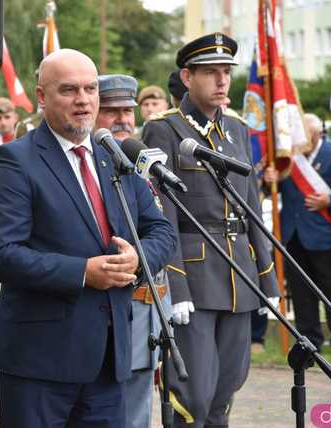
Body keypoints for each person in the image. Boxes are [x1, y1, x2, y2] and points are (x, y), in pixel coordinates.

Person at [0, 49, 177, 428]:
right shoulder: (16, 160)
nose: (83, 100)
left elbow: (161, 230)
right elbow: (1, 254)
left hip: (108, 360)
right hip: (40, 362)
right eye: (69, 90)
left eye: (90, 89)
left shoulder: (116, 157)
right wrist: (83, 272)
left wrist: (138, 259)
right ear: (41, 96)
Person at [143, 33, 279, 427]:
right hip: (196, 280)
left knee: (227, 386)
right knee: (193, 393)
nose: (222, 81)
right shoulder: (164, 130)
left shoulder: (237, 129)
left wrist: (267, 279)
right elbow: (162, 212)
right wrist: (177, 285)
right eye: (211, 73)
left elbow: (251, 206)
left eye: (226, 73)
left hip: (238, 274)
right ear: (187, 78)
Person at [95, 74, 180, 428]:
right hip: (104, 313)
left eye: (128, 110)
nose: (123, 119)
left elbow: (164, 229)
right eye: (111, 111)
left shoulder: (143, 160)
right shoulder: (87, 165)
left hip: (149, 309)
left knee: (137, 415)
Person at [264, 113, 331, 352]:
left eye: (305, 134)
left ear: (318, 133)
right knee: (301, 291)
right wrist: (268, 178)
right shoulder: (287, 158)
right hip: (292, 234)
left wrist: (330, 200)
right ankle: (309, 340)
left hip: (325, 234)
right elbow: (272, 189)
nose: (300, 139)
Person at [94, 74, 137, 141]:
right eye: (112, 112)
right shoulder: (82, 151)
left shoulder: (142, 150)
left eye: (127, 110)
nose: (123, 120)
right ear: (93, 115)